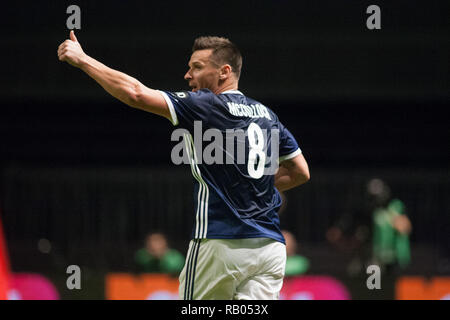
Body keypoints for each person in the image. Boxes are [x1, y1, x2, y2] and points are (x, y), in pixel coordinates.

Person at [57, 31, 310, 300]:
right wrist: (253, 185)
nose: (188, 76)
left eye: (197, 68)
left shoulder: (208, 105)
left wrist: (83, 60)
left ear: (224, 72)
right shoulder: (268, 115)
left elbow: (135, 94)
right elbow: (300, 172)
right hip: (270, 249)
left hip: (221, 244)